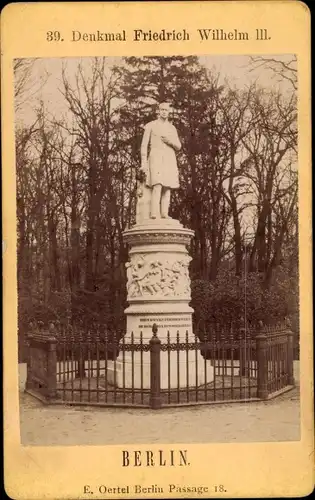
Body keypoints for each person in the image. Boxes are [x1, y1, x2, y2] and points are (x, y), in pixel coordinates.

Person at [140, 102, 181, 219]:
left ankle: (164, 213)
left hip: (169, 157)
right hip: (155, 155)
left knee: (167, 187)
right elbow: (144, 145)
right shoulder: (151, 125)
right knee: (157, 184)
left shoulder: (172, 128)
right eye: (162, 110)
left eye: (166, 110)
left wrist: (170, 141)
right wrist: (143, 162)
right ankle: (154, 212)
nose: (164, 112)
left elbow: (179, 146)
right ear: (158, 111)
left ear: (169, 112)